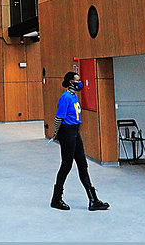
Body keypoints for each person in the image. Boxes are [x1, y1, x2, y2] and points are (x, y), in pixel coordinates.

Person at [50, 71, 109, 211]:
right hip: (67, 132)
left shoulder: (74, 96)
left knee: (83, 164)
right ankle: (56, 198)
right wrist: (56, 133)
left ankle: (93, 200)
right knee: (66, 165)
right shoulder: (65, 97)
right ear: (71, 82)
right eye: (77, 80)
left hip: (75, 131)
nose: (80, 82)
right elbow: (58, 118)